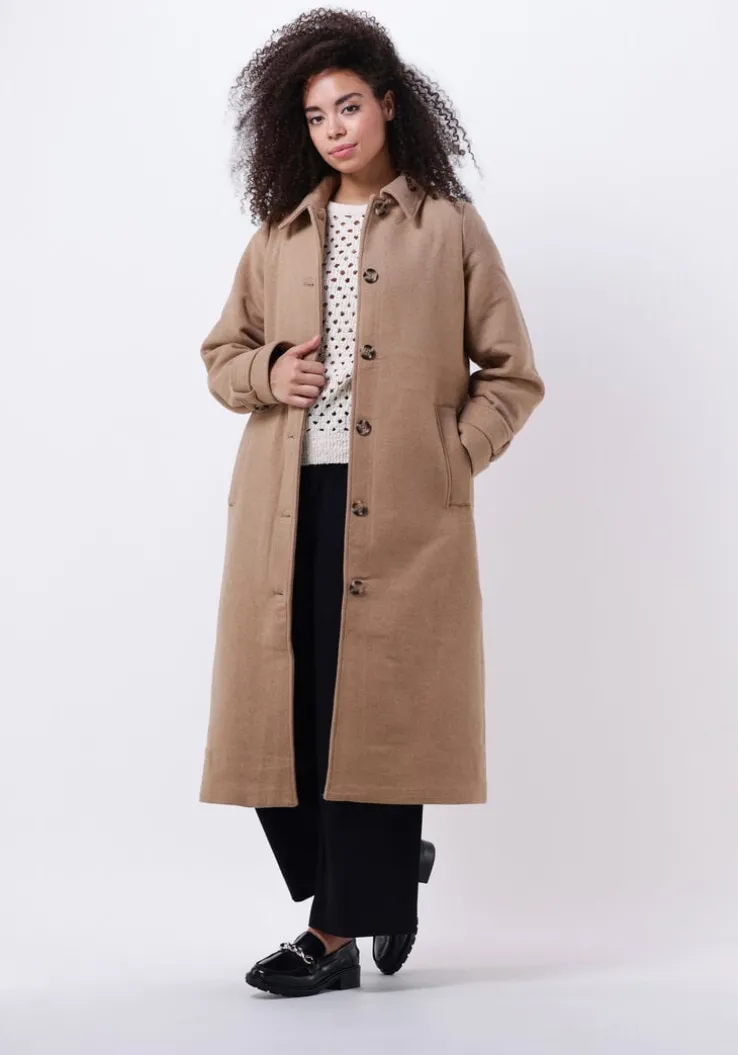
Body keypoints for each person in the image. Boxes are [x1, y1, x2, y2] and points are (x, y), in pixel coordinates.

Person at [198, 8, 545, 998]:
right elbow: (222, 357)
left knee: (375, 717)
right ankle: (388, 873)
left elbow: (512, 374)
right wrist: (269, 370)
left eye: (349, 106)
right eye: (315, 116)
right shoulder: (279, 235)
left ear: (390, 105)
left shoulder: (449, 227)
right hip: (285, 506)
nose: (335, 129)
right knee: (285, 721)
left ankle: (335, 932)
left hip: (402, 509)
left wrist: (450, 458)